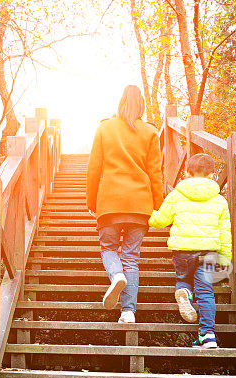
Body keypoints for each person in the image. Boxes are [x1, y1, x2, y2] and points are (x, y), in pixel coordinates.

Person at [86, 85, 163, 323]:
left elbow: (93, 168)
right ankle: (128, 311)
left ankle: (116, 274)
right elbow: (155, 172)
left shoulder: (104, 128)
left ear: (120, 103)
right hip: (140, 205)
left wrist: (91, 200)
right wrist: (157, 203)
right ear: (141, 105)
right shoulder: (150, 132)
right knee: (131, 257)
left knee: (109, 248)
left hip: (109, 202)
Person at [148, 153, 231, 348]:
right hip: (208, 253)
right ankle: (208, 335)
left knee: (183, 279)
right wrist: (225, 259)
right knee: (206, 292)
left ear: (187, 171)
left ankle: (184, 292)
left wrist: (148, 215)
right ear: (212, 173)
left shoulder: (176, 195)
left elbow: (160, 220)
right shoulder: (220, 200)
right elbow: (225, 232)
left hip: (183, 250)